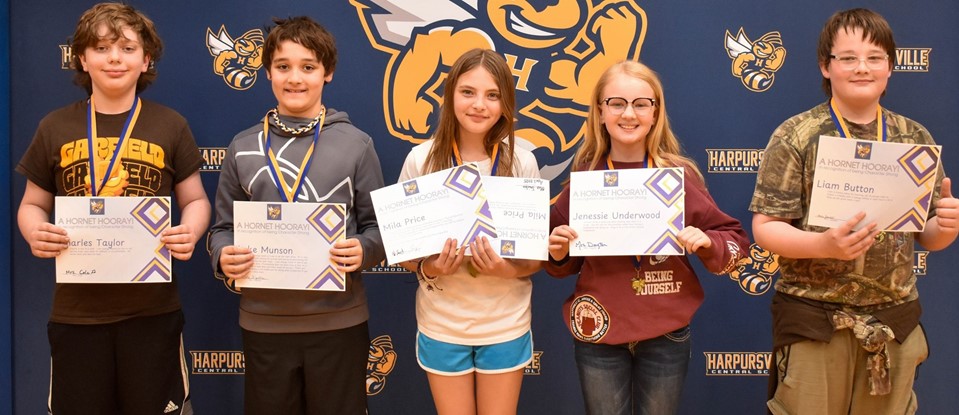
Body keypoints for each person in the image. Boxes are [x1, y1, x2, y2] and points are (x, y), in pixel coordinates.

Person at [750, 8, 959, 415]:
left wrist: (946, 226)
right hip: (814, 318)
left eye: (874, 58)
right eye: (848, 58)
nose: (862, 68)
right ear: (826, 67)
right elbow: (766, 228)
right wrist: (823, 244)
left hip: (893, 321)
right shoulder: (796, 134)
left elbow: (928, 236)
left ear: (890, 68)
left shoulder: (913, 137)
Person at [15, 3, 209, 414]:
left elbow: (195, 200)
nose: (115, 58)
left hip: (153, 312)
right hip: (76, 314)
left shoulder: (170, 125)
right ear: (82, 58)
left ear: (146, 58)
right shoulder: (54, 126)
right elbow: (32, 204)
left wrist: (190, 229)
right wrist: (35, 230)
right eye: (101, 48)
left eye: (126, 47)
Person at [545, 60, 749, 415]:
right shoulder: (585, 181)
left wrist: (706, 242)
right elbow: (558, 260)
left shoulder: (676, 178)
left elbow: (735, 241)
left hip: (665, 330)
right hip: (599, 330)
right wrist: (559, 250)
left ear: (655, 113)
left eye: (641, 103)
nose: (629, 113)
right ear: (600, 112)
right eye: (617, 103)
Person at [207, 16, 385, 415]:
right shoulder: (242, 147)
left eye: (308, 67)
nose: (295, 78)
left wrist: (364, 248)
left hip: (338, 322)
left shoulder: (356, 145)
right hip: (264, 323)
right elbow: (222, 229)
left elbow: (378, 228)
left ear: (328, 72)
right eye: (283, 66)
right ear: (267, 71)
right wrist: (223, 255)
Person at [396, 48, 541, 415]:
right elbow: (405, 254)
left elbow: (535, 258)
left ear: (506, 102)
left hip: (504, 322)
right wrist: (432, 267)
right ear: (450, 95)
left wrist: (504, 269)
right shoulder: (421, 159)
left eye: (492, 95)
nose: (479, 105)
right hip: (443, 323)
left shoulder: (522, 161)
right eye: (468, 92)